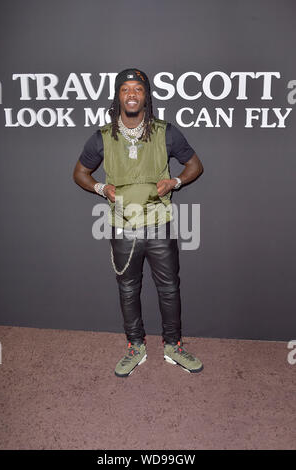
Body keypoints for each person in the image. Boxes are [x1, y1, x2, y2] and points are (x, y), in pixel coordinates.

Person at [73, 68, 204, 377]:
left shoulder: (166, 131)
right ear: (118, 96)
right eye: (125, 89)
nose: (131, 94)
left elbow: (195, 165)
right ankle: (136, 347)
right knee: (128, 289)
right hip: (123, 227)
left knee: (169, 288)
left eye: (138, 89)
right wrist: (101, 188)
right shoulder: (102, 136)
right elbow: (79, 173)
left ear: (146, 96)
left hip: (159, 223)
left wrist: (175, 182)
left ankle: (173, 346)